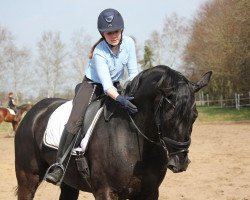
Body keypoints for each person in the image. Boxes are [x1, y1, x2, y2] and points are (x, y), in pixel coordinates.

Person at [45, 8, 139, 185]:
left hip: (116, 85)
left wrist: (135, 91)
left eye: (116, 31)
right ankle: (59, 165)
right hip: (93, 85)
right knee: (75, 120)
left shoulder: (129, 43)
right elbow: (107, 86)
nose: (114, 36)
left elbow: (133, 73)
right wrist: (120, 99)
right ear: (102, 34)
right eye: (109, 33)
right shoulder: (99, 53)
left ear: (122, 30)